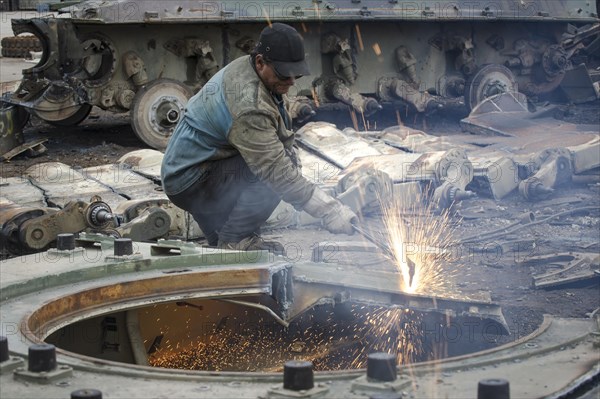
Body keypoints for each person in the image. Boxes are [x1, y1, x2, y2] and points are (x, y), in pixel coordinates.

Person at [161, 23, 357, 253]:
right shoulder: (248, 104)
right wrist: (329, 211)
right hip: (191, 180)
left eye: (297, 73)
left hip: (192, 169)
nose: (292, 81)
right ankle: (236, 239)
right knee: (277, 172)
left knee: (280, 166)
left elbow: (276, 132)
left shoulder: (249, 68)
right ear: (261, 62)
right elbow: (276, 171)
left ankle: (222, 240)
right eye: (284, 73)